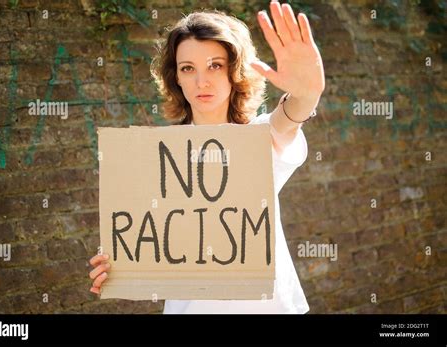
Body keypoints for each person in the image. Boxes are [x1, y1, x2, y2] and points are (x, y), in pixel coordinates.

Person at [89, 0, 325, 313]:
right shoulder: (160, 161)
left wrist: (306, 95)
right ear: (177, 78)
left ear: (234, 70)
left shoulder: (258, 138)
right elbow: (155, 244)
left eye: (215, 65)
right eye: (189, 68)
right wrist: (118, 266)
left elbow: (287, 120)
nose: (202, 81)